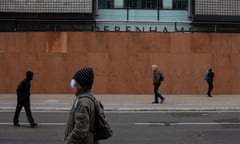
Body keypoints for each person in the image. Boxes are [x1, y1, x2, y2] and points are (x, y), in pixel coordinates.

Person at [64, 67, 98, 144]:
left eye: (75, 82)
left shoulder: (83, 102)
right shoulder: (90, 98)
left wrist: (68, 142)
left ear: (81, 85)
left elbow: (80, 130)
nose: (74, 84)